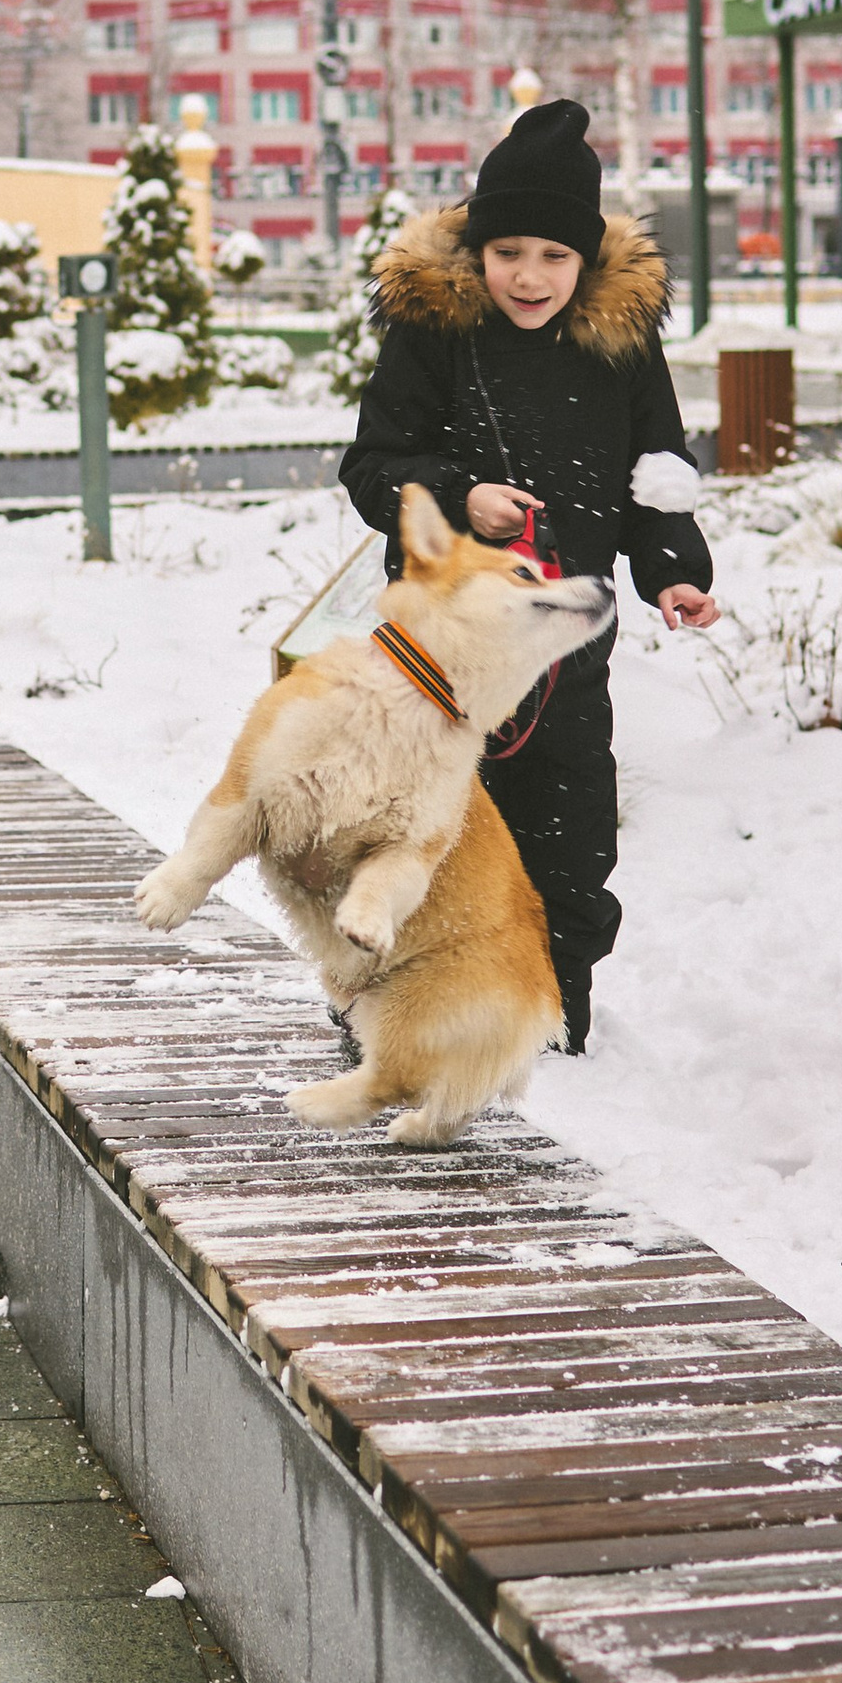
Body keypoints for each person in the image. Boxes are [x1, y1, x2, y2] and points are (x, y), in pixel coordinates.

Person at [339, 99, 717, 1053]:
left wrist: (671, 569)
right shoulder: (436, 331)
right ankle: (392, 1011)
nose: (530, 275)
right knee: (429, 830)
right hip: (444, 654)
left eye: (555, 255)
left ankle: (553, 1016)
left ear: (586, 261)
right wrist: (460, 498)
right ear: (477, 249)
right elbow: (374, 467)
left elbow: (653, 466)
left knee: (570, 832)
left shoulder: (620, 339)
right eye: (509, 251)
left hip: (565, 649)